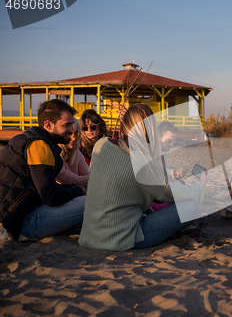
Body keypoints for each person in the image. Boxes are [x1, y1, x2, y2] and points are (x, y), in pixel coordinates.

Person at [78, 104, 209, 251]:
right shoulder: (143, 163)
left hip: (90, 236)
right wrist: (201, 185)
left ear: (124, 125)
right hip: (122, 238)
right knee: (193, 205)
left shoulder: (101, 144)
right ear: (151, 129)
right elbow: (174, 193)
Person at [0, 99, 85, 242]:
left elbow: (45, 188)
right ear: (48, 125)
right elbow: (51, 196)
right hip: (15, 223)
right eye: (67, 125)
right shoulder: (39, 145)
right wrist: (79, 191)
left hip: (13, 215)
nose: (71, 130)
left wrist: (74, 190)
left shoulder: (29, 139)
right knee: (90, 202)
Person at [55, 116, 90, 193]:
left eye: (77, 134)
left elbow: (88, 175)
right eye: (69, 134)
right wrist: (101, 176)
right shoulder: (54, 156)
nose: (74, 138)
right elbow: (75, 181)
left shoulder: (76, 153)